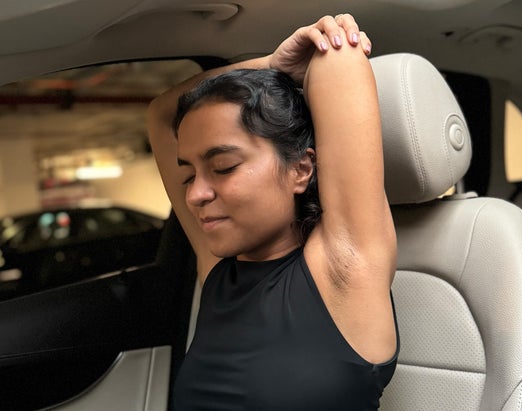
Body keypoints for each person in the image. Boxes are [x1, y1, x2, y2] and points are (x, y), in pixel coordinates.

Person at [147, 14, 398, 410]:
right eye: (188, 175)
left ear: (300, 169)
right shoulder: (218, 270)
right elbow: (162, 113)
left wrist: (296, 61)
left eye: (224, 167)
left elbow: (338, 56)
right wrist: (269, 64)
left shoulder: (343, 271)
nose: (195, 194)